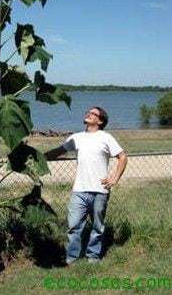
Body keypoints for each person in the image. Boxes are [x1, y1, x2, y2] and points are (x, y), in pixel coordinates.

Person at [44, 106, 128, 265]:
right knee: (73, 226)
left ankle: (93, 256)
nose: (88, 114)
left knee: (97, 227)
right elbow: (59, 151)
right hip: (79, 190)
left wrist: (115, 178)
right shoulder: (76, 137)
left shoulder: (106, 137)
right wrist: (40, 157)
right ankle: (72, 258)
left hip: (100, 191)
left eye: (93, 113)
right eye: (88, 112)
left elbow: (122, 157)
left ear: (100, 120)